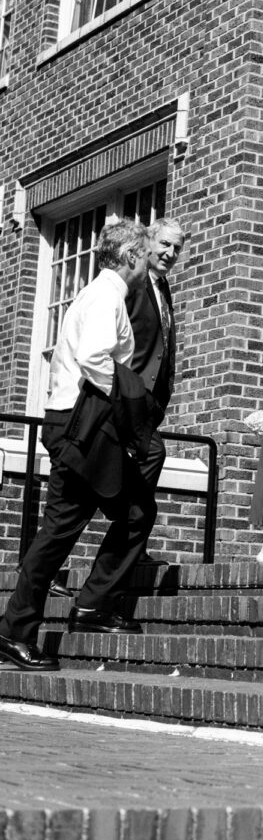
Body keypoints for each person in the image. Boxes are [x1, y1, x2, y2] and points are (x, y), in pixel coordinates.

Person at [0, 219, 157, 671]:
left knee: (126, 513)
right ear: (130, 257)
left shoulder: (99, 294)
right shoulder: (107, 296)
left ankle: (85, 606)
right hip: (81, 426)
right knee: (66, 529)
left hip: (78, 424)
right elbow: (93, 358)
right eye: (145, 256)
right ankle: (15, 630)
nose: (148, 265)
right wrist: (129, 401)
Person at [126, 217, 185, 562]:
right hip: (126, 397)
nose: (170, 253)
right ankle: (129, 549)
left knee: (141, 467)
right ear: (148, 242)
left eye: (177, 248)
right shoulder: (132, 283)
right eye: (164, 244)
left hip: (149, 403)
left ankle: (132, 550)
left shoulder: (163, 287)